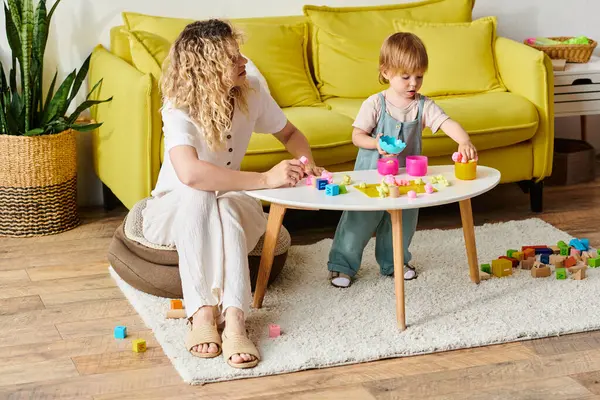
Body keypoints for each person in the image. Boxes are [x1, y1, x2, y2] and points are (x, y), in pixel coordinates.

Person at [142, 19, 322, 369]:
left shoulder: (251, 90)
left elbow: (291, 134)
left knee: (223, 205)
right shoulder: (178, 105)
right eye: (232, 57)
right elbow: (190, 174)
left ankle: (235, 319)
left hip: (234, 204)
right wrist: (267, 180)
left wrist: (307, 163)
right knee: (200, 194)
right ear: (206, 67)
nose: (243, 61)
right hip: (174, 209)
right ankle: (204, 313)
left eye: (238, 53)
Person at [326, 32, 477, 288]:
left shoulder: (422, 106)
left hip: (407, 180)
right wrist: (376, 143)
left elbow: (446, 122)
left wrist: (463, 140)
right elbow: (357, 136)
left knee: (402, 223)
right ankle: (342, 265)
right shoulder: (375, 103)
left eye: (419, 76)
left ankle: (394, 262)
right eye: (405, 77)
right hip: (371, 177)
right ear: (386, 72)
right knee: (358, 220)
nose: (413, 84)